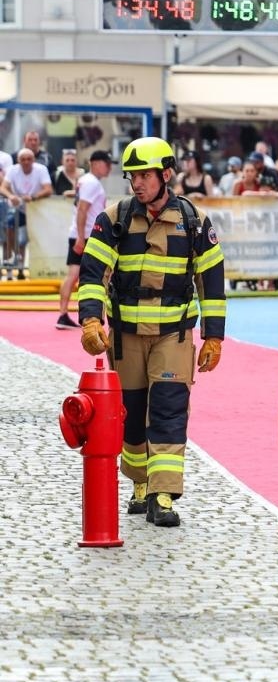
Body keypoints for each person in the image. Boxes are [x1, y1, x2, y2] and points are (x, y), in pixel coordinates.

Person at [76, 137, 227, 529]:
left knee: (169, 411)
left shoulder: (193, 222)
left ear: (166, 174)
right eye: (132, 176)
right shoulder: (114, 220)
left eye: (145, 175)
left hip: (172, 336)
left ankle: (163, 494)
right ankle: (140, 484)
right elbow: (93, 275)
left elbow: (211, 280)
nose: (137, 183)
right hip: (125, 337)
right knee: (130, 417)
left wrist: (214, 336)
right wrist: (91, 320)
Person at [57, 150, 112, 329]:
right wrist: (81, 238)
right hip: (86, 235)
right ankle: (79, 315)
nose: (109, 167)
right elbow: (82, 210)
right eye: (106, 163)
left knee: (74, 275)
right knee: (92, 276)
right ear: (95, 163)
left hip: (82, 234)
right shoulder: (91, 182)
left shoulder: (85, 180)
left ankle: (64, 314)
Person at [3, 148, 54, 269]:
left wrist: (33, 197)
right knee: (9, 227)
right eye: (23, 159)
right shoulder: (12, 170)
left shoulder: (41, 169)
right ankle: (13, 256)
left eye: (29, 159)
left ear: (34, 160)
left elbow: (48, 189)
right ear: (18, 160)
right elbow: (3, 187)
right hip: (19, 209)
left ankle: (39, 265)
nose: (26, 162)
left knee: (32, 239)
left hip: (36, 210)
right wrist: (11, 196)